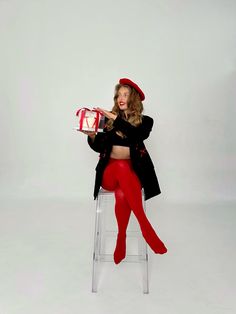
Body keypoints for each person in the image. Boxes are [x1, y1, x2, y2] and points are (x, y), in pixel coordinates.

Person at [82, 78, 167, 264]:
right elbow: (99, 148)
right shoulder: (108, 120)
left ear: (133, 98)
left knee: (122, 194)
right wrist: (92, 136)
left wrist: (116, 119)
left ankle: (121, 238)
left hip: (131, 173)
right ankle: (146, 227)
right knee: (120, 168)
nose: (120, 98)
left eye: (125, 94)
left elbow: (136, 136)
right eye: (118, 94)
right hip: (109, 172)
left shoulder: (145, 122)